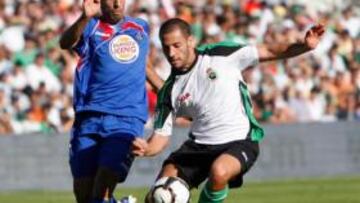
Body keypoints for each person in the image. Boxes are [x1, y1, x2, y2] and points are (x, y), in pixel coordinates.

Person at [132, 18, 324, 203]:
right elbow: (161, 137)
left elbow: (270, 50)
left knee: (219, 172)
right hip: (199, 146)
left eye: (177, 45)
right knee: (162, 189)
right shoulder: (169, 90)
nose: (171, 53)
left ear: (190, 41)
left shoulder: (222, 54)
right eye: (166, 48)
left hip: (240, 141)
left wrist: (304, 45)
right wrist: (147, 148)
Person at [59, 0, 161, 203]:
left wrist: (168, 92)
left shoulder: (140, 27)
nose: (116, 4)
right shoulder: (90, 26)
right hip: (89, 117)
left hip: (126, 118)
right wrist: (84, 16)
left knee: (103, 187)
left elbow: (145, 65)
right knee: (84, 196)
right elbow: (65, 43)